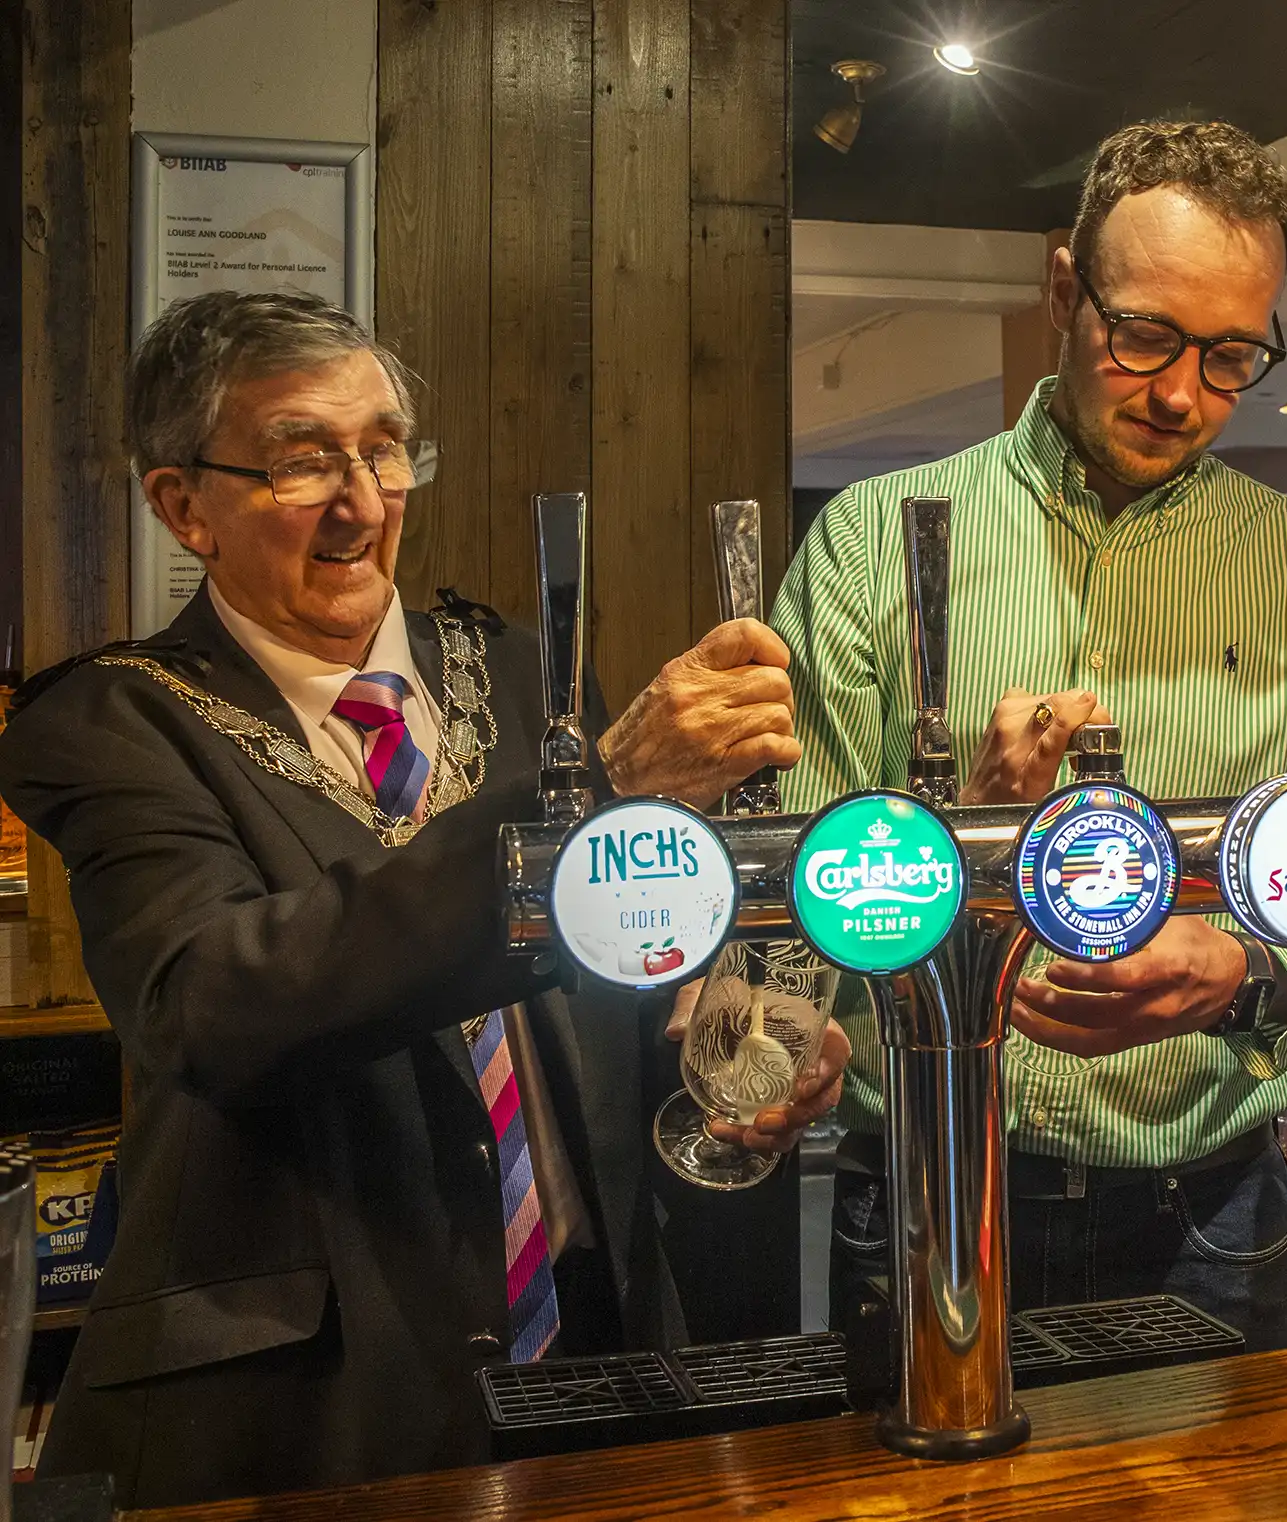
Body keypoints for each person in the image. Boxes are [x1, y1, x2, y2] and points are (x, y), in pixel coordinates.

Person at [0, 291, 846, 1509]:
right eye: (302, 463)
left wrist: (715, 1036)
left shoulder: (514, 664)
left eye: (384, 449)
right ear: (182, 504)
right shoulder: (113, 720)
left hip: (592, 1347)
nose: (361, 501)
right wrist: (598, 789)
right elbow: (216, 1002)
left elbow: (614, 951)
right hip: (310, 1395)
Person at [770, 120, 1287, 1352]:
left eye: (1232, 353)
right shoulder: (873, 540)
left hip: (1209, 1208)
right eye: (1144, 335)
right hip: (928, 1184)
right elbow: (786, 894)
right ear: (1060, 287)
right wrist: (947, 861)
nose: (1182, 392)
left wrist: (1251, 972)